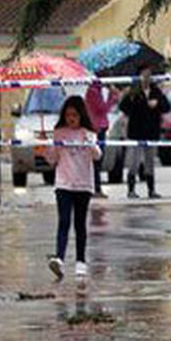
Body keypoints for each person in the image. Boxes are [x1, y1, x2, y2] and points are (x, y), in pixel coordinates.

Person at [42, 97, 102, 280]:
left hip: (83, 184)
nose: (71, 119)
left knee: (80, 223)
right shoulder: (59, 133)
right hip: (64, 184)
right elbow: (52, 159)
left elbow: (97, 156)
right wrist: (47, 145)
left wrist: (90, 142)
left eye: (74, 115)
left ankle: (80, 261)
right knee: (64, 221)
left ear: (81, 115)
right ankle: (59, 258)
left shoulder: (89, 133)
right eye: (68, 115)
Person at [119, 66, 170, 199]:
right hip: (136, 131)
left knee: (150, 162)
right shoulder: (134, 91)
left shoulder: (156, 91)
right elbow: (124, 107)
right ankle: (131, 190)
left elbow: (166, 107)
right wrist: (131, 99)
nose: (147, 77)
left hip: (151, 131)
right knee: (134, 162)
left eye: (149, 74)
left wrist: (157, 103)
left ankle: (151, 190)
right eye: (144, 74)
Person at [84, 79, 119, 198]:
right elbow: (102, 108)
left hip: (101, 127)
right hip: (96, 128)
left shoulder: (98, 91)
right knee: (96, 160)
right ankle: (95, 188)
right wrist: (112, 97)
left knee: (98, 160)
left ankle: (96, 187)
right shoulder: (93, 92)